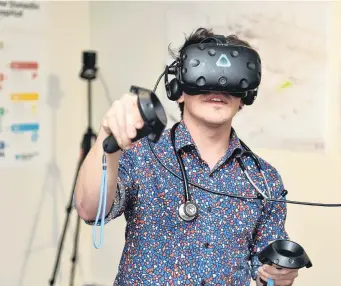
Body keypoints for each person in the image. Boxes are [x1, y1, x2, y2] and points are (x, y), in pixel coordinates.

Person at [74, 27, 300, 286]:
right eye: (205, 73)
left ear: (245, 96)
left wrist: (276, 278)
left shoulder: (263, 179)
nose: (219, 86)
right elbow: (90, 210)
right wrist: (107, 134)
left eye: (231, 78)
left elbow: (266, 274)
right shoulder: (142, 155)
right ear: (178, 89)